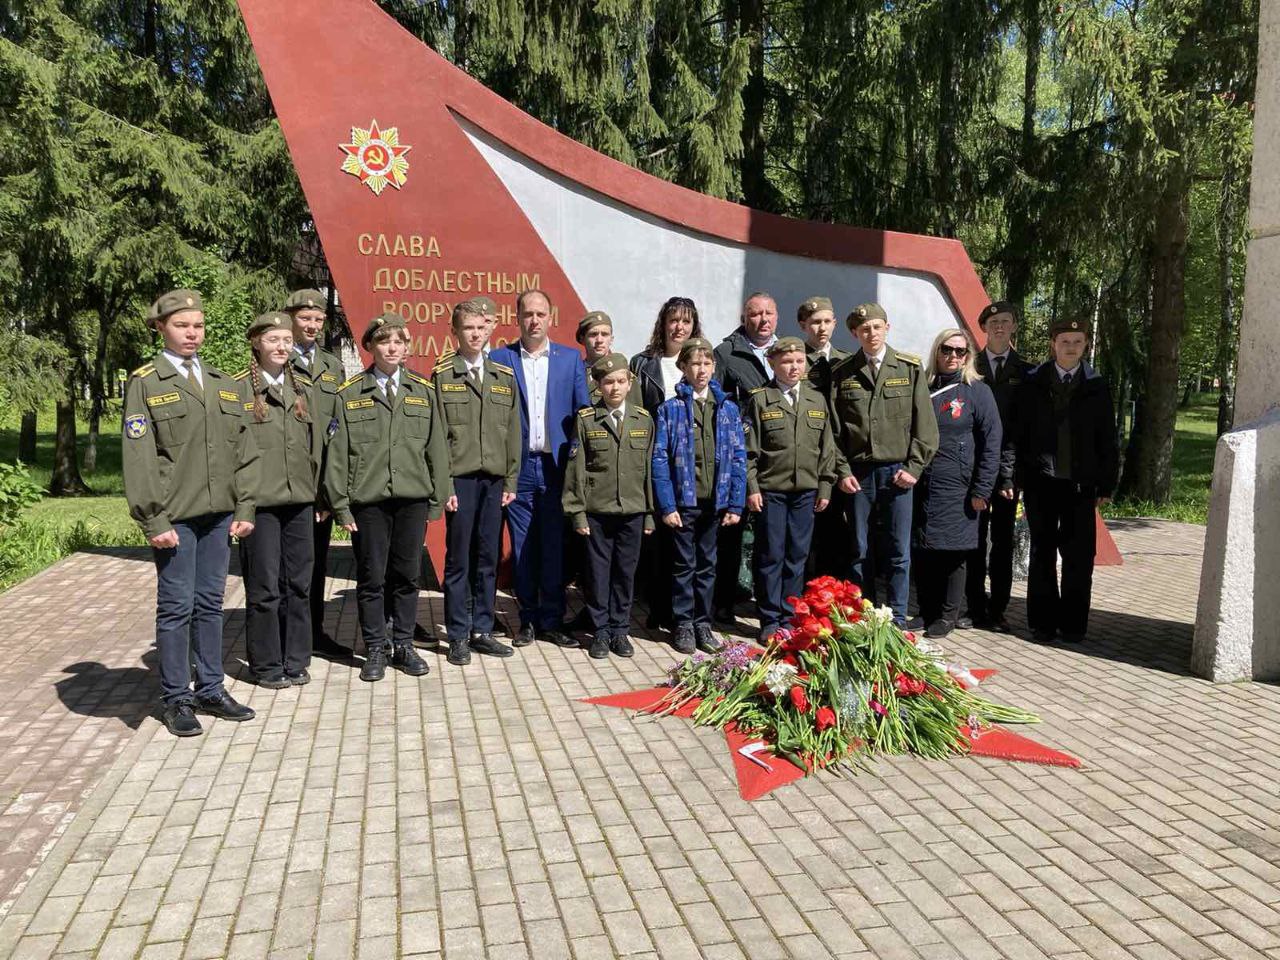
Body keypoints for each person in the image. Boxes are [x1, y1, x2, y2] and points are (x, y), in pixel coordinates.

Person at [122, 289, 259, 737]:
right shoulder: (147, 382)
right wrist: (152, 519)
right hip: (175, 516)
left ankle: (211, 688)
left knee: (210, 605)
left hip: (219, 514)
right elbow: (139, 457)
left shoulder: (223, 382)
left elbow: (244, 450)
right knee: (176, 607)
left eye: (198, 325)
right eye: (182, 325)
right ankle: (176, 697)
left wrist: (245, 504)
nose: (192, 333)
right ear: (161, 328)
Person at [328, 313, 450, 681]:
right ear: (370, 347)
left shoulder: (424, 392)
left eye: (398, 341)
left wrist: (437, 498)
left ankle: (404, 645)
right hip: (369, 501)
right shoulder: (349, 395)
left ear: (407, 348)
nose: (392, 347)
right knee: (371, 578)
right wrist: (340, 505)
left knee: (407, 575)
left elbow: (436, 450)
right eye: (384, 341)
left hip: (412, 498)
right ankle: (376, 649)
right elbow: (337, 454)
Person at [489, 289, 590, 648]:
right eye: (527, 314)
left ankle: (552, 619)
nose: (534, 320)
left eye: (540, 314)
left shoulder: (570, 359)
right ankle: (528, 618)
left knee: (553, 546)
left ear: (551, 317)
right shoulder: (499, 358)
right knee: (522, 546)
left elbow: (584, 413)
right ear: (517, 318)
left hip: (556, 465)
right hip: (518, 467)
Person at [827, 303, 938, 624]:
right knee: (859, 549)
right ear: (854, 333)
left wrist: (914, 467)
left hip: (898, 473)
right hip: (858, 476)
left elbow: (925, 427)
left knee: (898, 551)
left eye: (876, 327)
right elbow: (834, 431)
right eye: (864, 329)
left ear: (887, 327)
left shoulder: (908, 368)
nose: (871, 333)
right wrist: (842, 471)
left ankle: (898, 617)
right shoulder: (842, 372)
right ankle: (865, 616)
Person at [1010, 318, 1118, 643]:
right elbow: (1019, 433)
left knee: (1079, 555)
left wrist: (1107, 484)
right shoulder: (1033, 382)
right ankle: (1042, 623)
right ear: (1053, 344)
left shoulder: (1096, 385)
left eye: (1077, 342)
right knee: (1042, 552)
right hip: (1041, 481)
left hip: (1080, 484)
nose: (1071, 347)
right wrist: (1017, 477)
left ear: (1086, 345)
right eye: (1065, 341)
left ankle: (1073, 624)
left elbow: (1108, 438)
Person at [236, 312, 324, 686]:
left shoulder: (302, 387)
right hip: (261, 503)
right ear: (256, 342)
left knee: (299, 585)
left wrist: (319, 494)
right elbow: (232, 451)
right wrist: (240, 504)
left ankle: (295, 658)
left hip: (300, 500)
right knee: (264, 588)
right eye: (273, 340)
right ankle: (266, 664)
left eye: (286, 340)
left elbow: (315, 445)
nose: (282, 347)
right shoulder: (238, 388)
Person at [432, 299, 520, 666]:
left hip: (494, 480)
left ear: (491, 331)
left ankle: (482, 629)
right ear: (455, 332)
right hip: (460, 480)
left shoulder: (504, 377)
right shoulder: (442, 376)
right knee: (458, 560)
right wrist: (444, 485)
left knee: (487, 557)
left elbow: (513, 431)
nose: (476, 334)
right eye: (468, 327)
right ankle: (457, 634)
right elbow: (436, 436)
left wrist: (511, 478)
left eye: (482, 328)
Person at [743, 337, 844, 642]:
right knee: (771, 555)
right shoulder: (761, 399)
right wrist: (752, 487)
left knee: (797, 556)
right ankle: (770, 619)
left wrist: (826, 487)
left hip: (806, 492)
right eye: (787, 361)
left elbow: (828, 449)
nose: (794, 367)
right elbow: (749, 451)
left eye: (799, 361)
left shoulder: (816, 399)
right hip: (771, 490)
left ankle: (790, 616)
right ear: (773, 363)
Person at [652, 338, 747, 654]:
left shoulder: (728, 408)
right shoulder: (671, 409)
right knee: (683, 565)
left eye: (706, 363)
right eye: (694, 363)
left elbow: (737, 456)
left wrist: (735, 502)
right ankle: (682, 625)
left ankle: (703, 624)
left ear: (714, 367)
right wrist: (666, 504)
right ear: (683, 367)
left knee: (708, 564)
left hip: (715, 501)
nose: (701, 369)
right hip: (684, 501)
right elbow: (660, 458)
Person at [563, 354, 655, 658]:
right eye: (608, 382)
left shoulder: (644, 419)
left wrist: (650, 514)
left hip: (633, 510)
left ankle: (620, 630)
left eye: (620, 381)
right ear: (599, 386)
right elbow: (576, 471)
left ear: (629, 383)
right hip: (597, 512)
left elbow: (649, 472)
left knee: (625, 574)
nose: (614, 387)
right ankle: (600, 632)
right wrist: (577, 513)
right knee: (598, 574)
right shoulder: (587, 419)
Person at [911, 328, 1002, 638]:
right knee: (924, 551)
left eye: (959, 351)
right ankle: (926, 611)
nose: (952, 356)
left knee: (954, 553)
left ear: (968, 356)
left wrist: (982, 489)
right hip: (923, 483)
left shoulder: (977, 391)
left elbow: (992, 443)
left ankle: (949, 616)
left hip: (959, 487)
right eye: (946, 349)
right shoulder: (923, 385)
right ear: (937, 351)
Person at [629, 297, 703, 630]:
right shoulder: (643, 363)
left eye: (686, 321)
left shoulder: (703, 361)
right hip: (655, 461)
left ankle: (687, 615)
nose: (679, 327)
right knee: (659, 541)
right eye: (673, 320)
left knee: (688, 547)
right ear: (663, 324)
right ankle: (658, 609)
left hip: (691, 467)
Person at [284, 288, 348, 658]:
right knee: (287, 569)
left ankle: (315, 633)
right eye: (305, 318)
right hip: (287, 480)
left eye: (318, 319)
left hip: (322, 482)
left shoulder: (332, 365)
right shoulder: (275, 359)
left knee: (317, 563)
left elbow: (336, 426)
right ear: (291, 317)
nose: (312, 325)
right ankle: (288, 638)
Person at [965, 300, 1033, 632]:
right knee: (974, 540)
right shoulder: (970, 365)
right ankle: (975, 606)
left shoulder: (1027, 371)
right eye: (993, 324)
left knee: (1003, 541)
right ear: (984, 328)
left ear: (1014, 327)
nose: (999, 327)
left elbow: (1024, 429)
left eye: (1006, 322)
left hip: (1009, 472)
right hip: (973, 468)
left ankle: (998, 608)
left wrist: (1009, 472)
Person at [712, 292, 779, 624]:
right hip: (739, 455)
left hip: (780, 456)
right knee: (732, 530)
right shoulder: (727, 353)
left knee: (773, 535)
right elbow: (715, 401)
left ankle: (770, 601)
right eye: (755, 314)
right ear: (744, 318)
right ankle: (724, 601)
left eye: (768, 313)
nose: (762, 320)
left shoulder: (792, 352)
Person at [797, 295, 852, 578]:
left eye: (827, 322)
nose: (822, 328)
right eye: (815, 322)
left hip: (843, 459)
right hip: (807, 458)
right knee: (808, 537)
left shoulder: (847, 362)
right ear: (803, 325)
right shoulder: (796, 363)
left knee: (839, 534)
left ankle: (836, 600)